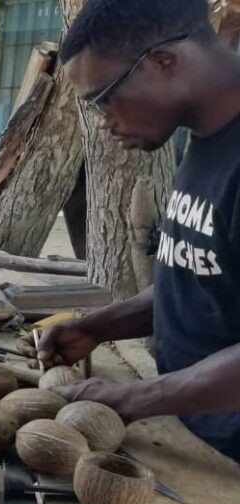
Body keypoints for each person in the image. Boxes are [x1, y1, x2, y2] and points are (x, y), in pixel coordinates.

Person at [19, 0, 240, 462]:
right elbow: (199, 279)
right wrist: (98, 326)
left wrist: (135, 398)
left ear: (163, 61)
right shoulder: (204, 134)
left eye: (104, 98)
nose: (105, 123)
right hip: (191, 428)